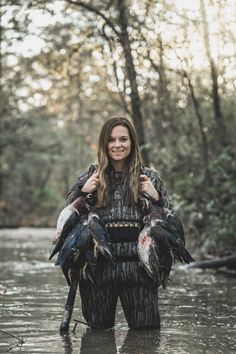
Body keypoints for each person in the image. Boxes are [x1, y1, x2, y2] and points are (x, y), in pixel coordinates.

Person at [66, 115, 174, 330]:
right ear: (104, 143)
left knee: (146, 336)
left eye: (123, 139)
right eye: (111, 139)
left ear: (132, 142)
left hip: (141, 268)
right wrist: (82, 191)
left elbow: (171, 220)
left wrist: (157, 198)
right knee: (97, 337)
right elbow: (67, 217)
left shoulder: (149, 177)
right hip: (98, 270)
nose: (117, 145)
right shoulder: (90, 175)